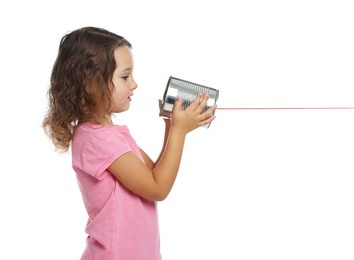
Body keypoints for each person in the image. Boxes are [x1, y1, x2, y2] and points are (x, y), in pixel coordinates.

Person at [42, 26, 216, 260]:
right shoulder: (98, 140)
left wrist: (171, 126)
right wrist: (178, 132)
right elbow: (158, 189)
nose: (134, 84)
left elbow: (154, 174)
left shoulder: (110, 134)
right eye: (125, 76)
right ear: (91, 84)